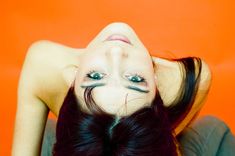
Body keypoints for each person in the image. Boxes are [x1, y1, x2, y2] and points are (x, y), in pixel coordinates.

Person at [12, 22, 217, 155]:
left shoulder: (186, 85)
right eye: (136, 80)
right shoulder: (43, 66)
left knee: (211, 129)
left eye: (95, 76)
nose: (116, 52)